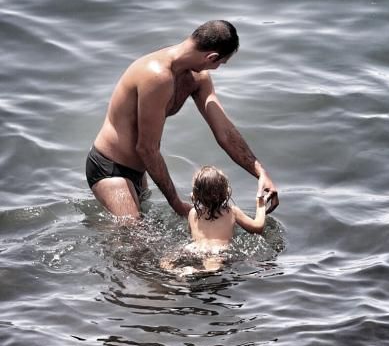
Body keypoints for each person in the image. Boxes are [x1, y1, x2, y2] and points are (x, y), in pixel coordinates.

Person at [85, 20, 278, 219]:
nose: (216, 69)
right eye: (220, 63)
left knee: (141, 236)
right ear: (211, 57)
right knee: (136, 245)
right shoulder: (156, 75)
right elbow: (146, 148)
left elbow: (225, 132)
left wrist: (260, 172)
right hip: (110, 168)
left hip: (139, 172)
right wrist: (176, 203)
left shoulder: (198, 78)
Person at [160, 165, 268, 275]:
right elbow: (258, 227)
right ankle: (196, 272)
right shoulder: (232, 212)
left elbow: (190, 233)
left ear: (196, 194)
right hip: (217, 250)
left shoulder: (193, 212)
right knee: (212, 268)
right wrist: (261, 204)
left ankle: (173, 271)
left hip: (193, 248)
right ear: (226, 192)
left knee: (167, 261)